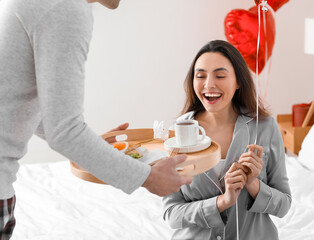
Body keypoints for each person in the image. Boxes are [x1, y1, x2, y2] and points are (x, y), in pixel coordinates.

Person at [0, 0, 192, 238]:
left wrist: (95, 146)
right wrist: (149, 178)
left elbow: (16, 105)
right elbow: (65, 133)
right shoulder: (65, 7)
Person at [163, 40, 291, 240]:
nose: (209, 84)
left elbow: (284, 205)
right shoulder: (177, 132)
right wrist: (222, 202)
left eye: (220, 75)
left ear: (239, 81)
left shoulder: (266, 127)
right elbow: (171, 214)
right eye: (200, 76)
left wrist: (253, 184)